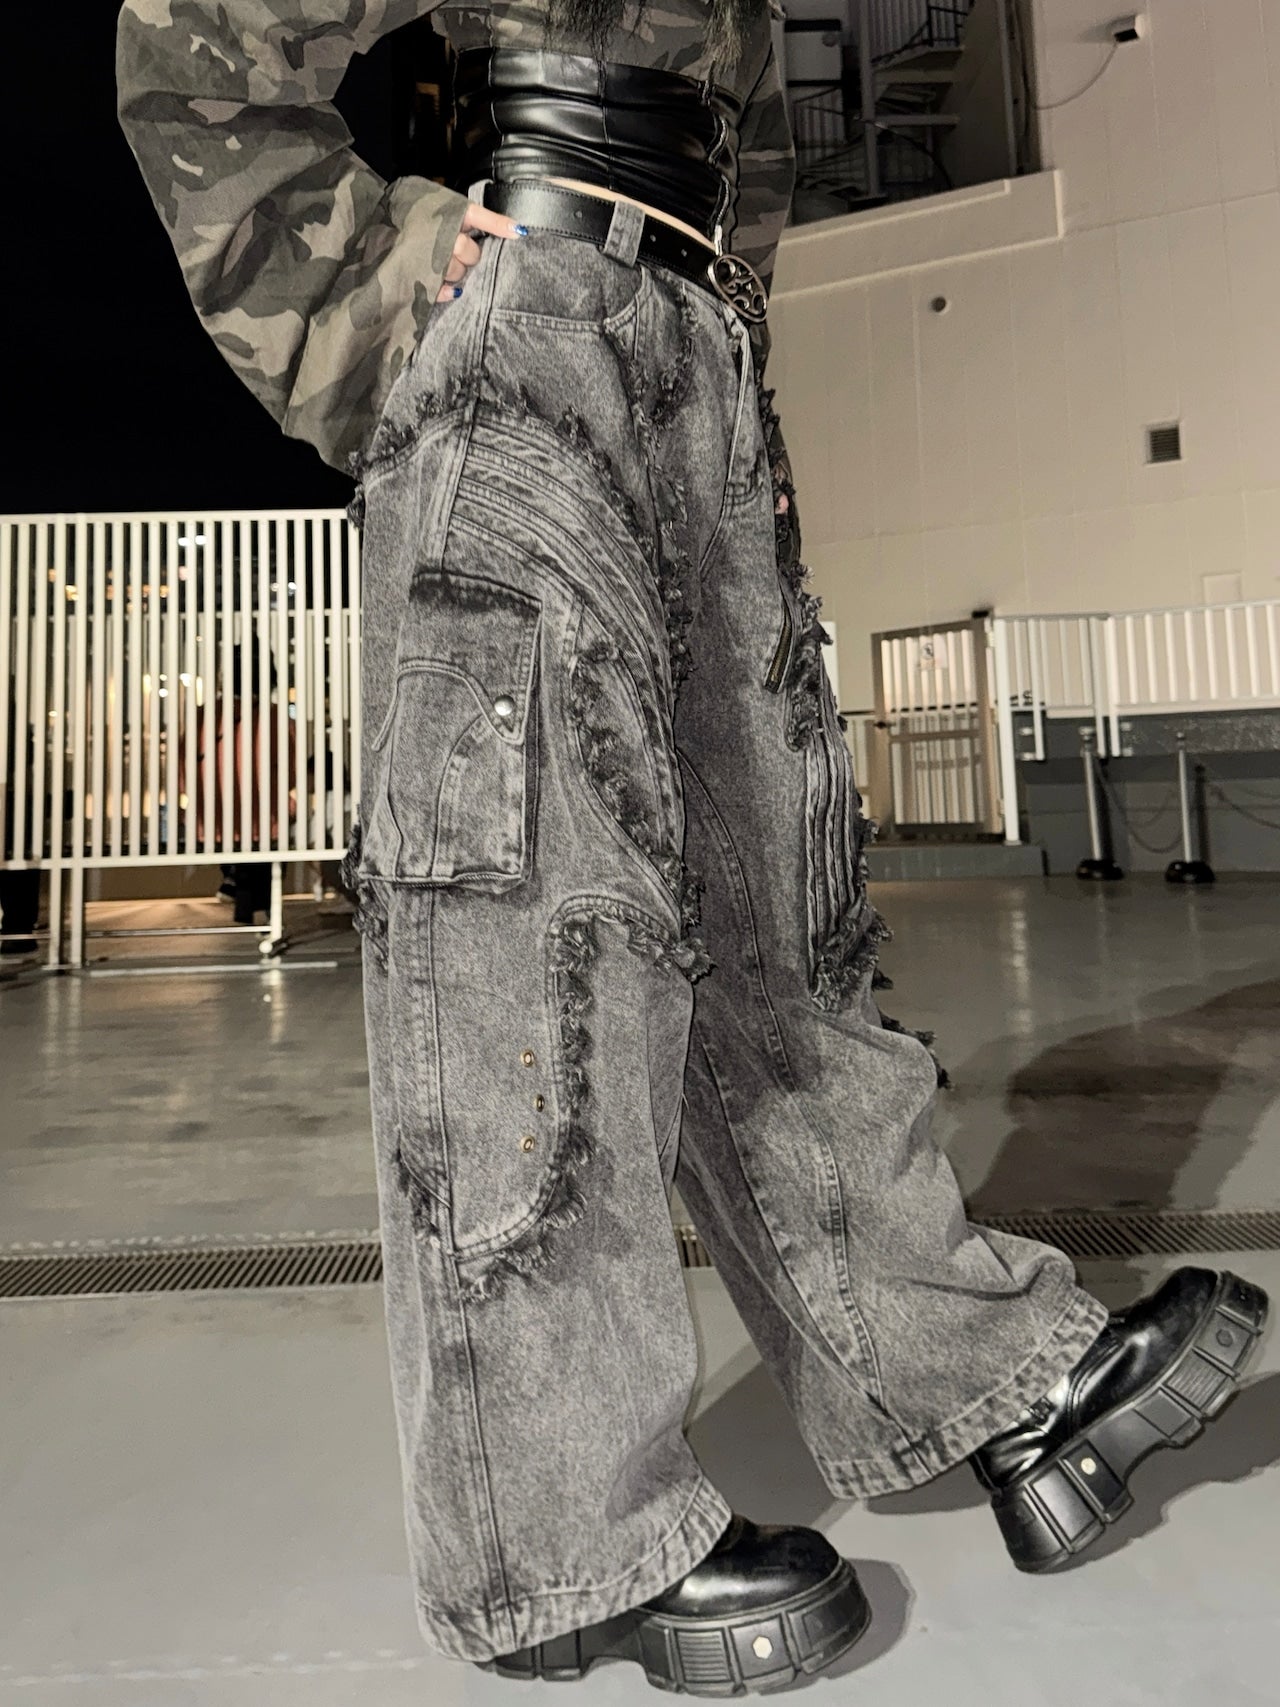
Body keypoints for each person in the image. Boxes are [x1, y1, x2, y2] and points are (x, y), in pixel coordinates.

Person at [115, 0, 1270, 1693]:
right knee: (536, 933)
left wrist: (711, 350)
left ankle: (962, 1374)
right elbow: (193, 48)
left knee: (780, 928)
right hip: (526, 340)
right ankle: (562, 1538)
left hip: (691, 353)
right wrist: (387, 292)